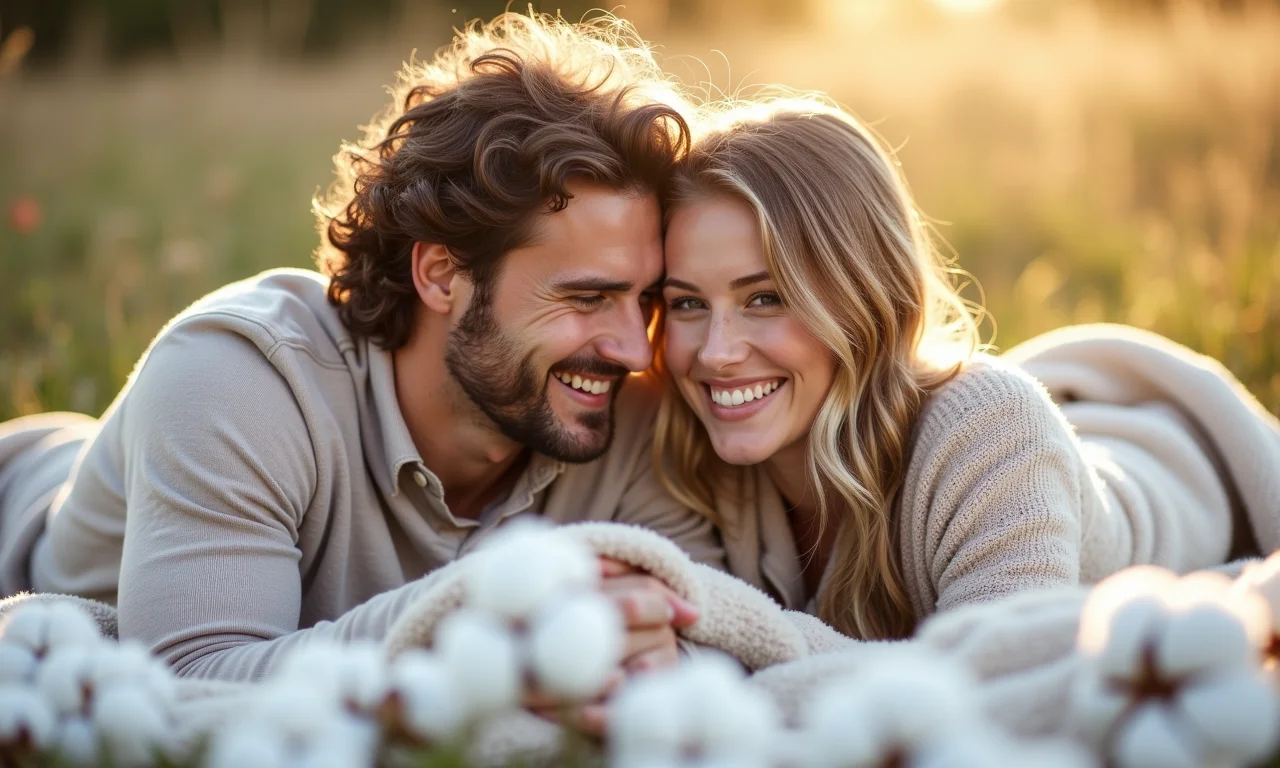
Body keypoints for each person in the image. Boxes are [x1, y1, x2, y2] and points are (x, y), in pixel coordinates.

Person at [0, 13, 721, 689]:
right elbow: (194, 685)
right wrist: (480, 609)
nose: (633, 348)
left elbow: (705, 640)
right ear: (442, 274)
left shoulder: (632, 412)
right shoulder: (234, 378)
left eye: (649, 299)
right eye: (587, 298)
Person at [654, 96, 1275, 641]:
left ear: (865, 296)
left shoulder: (994, 432)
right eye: (687, 303)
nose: (715, 352)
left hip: (1169, 465)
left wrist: (736, 627)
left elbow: (999, 678)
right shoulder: (677, 446)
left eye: (765, 298)